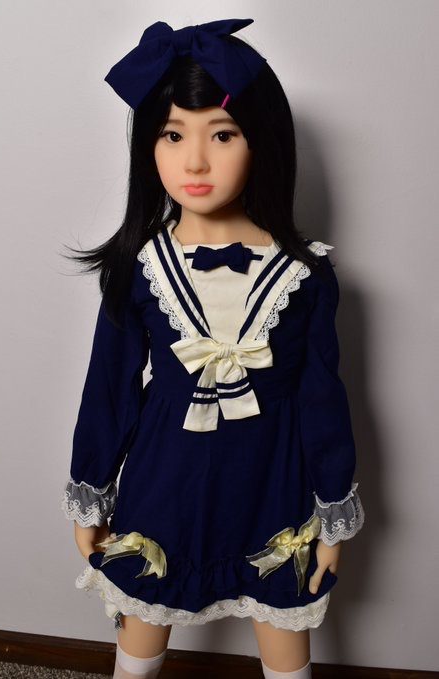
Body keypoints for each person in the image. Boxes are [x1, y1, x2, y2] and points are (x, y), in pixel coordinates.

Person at [61, 18, 365, 679]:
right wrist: (91, 490)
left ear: (261, 141)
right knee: (142, 627)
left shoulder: (305, 274)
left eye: (222, 134)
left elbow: (322, 399)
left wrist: (333, 510)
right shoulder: (139, 268)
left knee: (283, 635)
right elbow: (108, 389)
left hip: (273, 486)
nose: (194, 161)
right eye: (172, 135)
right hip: (164, 484)